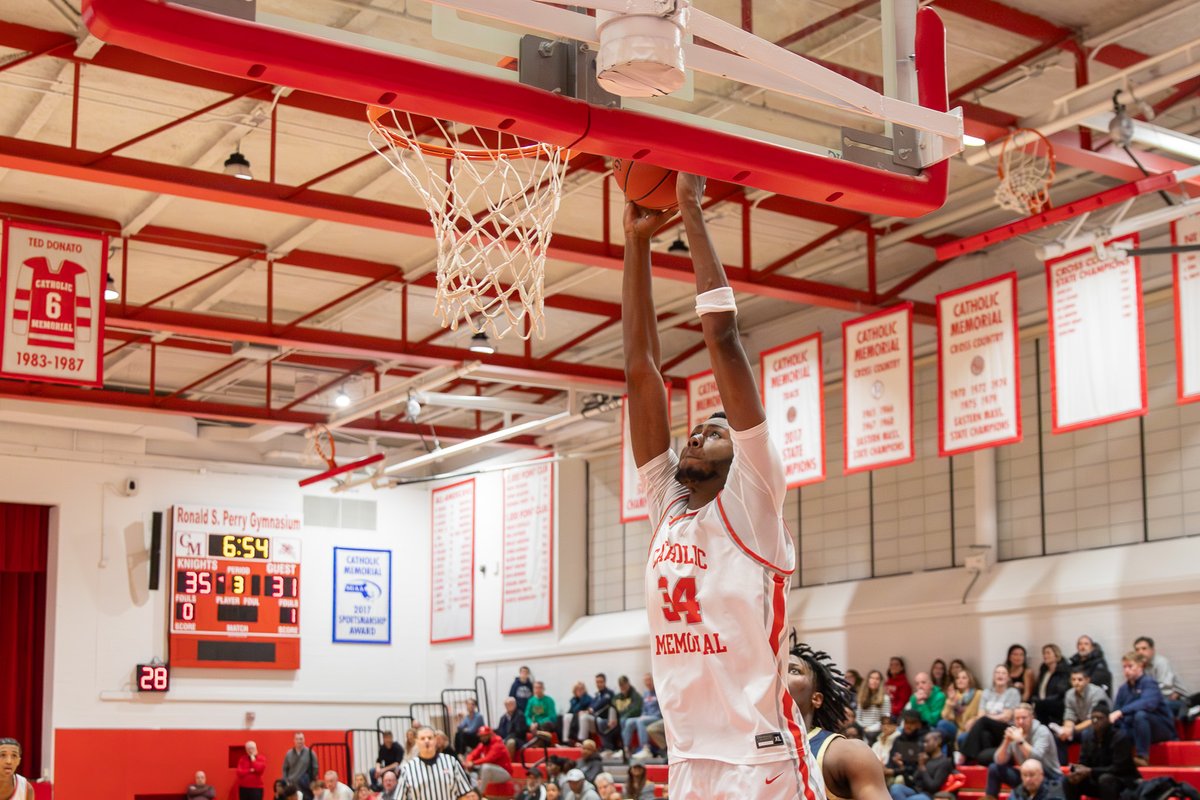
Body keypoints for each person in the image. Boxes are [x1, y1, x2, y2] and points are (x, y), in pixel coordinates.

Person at [623, 174, 825, 797]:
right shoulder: (668, 508)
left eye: (714, 428)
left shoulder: (754, 499)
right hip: (688, 757)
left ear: (742, 451)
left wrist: (689, 209)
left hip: (760, 759)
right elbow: (640, 372)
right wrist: (635, 243)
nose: (693, 433)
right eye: (695, 428)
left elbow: (723, 338)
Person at [787, 641, 891, 800]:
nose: (780, 674)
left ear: (816, 699)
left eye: (793, 670)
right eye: (776, 668)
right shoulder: (745, 751)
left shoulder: (846, 754)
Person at [1111, 650, 1177, 766]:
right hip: (1136, 728)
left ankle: (1143, 756)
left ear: (1140, 666)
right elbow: (1116, 710)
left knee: (1140, 715)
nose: (1126, 670)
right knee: (1117, 729)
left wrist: (1122, 711)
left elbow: (1148, 704)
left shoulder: (1149, 683)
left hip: (1159, 727)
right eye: (1124, 667)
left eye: (1130, 666)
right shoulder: (1123, 689)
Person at [983, 703, 1061, 800]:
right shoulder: (1015, 733)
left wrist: (1020, 740)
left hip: (1049, 777)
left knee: (1032, 774)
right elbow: (999, 760)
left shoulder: (1042, 731)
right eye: (1017, 718)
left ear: (1032, 717)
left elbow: (1036, 758)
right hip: (1027, 776)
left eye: (1024, 718)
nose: (1020, 721)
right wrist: (1006, 741)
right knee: (994, 768)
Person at [1063, 705, 1140, 800]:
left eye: (1099, 718)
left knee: (1105, 779)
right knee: (1069, 780)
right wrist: (1077, 770)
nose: (1095, 721)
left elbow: (1119, 768)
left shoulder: (1120, 737)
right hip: (1097, 779)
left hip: (1122, 781)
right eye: (1093, 718)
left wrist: (1091, 771)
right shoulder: (1087, 737)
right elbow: (1084, 762)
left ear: (1108, 719)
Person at [960, 665, 1021, 765]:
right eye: (997, 672)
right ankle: (983, 762)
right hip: (989, 729)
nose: (1000, 675)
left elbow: (1006, 717)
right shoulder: (987, 693)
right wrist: (989, 717)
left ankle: (964, 755)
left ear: (1008, 678)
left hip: (1005, 729)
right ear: (993, 676)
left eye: (1003, 673)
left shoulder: (1012, 693)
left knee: (983, 721)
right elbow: (980, 715)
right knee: (984, 734)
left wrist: (987, 717)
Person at [396, 726, 477, 800]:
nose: (426, 741)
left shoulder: (451, 762)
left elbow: (464, 794)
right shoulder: (408, 768)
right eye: (422, 738)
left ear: (435, 740)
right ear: (417, 742)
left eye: (430, 738)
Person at [1056, 667, 1109, 765]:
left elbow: (1093, 719)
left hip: (1099, 727)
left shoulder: (1097, 693)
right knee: (1060, 737)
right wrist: (1066, 729)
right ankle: (1062, 767)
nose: (1076, 682)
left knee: (1087, 733)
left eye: (1080, 680)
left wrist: (1073, 729)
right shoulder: (1069, 694)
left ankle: (1084, 765)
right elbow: (1069, 714)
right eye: (1073, 679)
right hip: (1081, 726)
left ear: (1087, 680)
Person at [1134, 636, 1191, 719]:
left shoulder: (1161, 663)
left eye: (1144, 648)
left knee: (1153, 707)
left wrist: (1145, 695)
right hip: (1158, 699)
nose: (1140, 652)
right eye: (1137, 650)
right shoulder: (1140, 666)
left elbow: (1166, 688)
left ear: (1152, 650)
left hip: (1181, 700)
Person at [887, 732, 952, 800]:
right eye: (924, 742)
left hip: (929, 796)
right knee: (896, 788)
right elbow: (911, 783)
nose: (924, 745)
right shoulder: (925, 759)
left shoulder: (944, 762)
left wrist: (922, 767)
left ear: (938, 742)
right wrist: (902, 767)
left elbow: (933, 787)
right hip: (916, 792)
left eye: (927, 742)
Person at [939, 667, 980, 753]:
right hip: (958, 729)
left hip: (972, 728)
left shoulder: (978, 694)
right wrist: (949, 702)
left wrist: (974, 719)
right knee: (941, 725)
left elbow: (983, 712)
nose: (960, 680)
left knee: (963, 737)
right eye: (958, 678)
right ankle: (942, 759)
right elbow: (945, 716)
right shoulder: (955, 695)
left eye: (964, 678)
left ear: (970, 680)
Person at [885, 711, 930, 787]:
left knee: (898, 780)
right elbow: (891, 760)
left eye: (912, 723)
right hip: (895, 773)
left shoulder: (922, 741)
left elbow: (915, 768)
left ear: (918, 724)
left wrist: (894, 771)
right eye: (906, 722)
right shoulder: (898, 739)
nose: (908, 726)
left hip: (912, 779)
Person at [624, 673, 662, 759]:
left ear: (653, 680)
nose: (648, 682)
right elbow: (644, 709)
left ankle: (645, 749)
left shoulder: (659, 691)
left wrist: (644, 717)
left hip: (657, 716)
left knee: (640, 721)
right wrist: (643, 715)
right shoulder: (645, 693)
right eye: (646, 681)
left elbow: (661, 709)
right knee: (629, 721)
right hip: (646, 716)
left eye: (649, 680)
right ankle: (626, 748)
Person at [1032, 645, 1071, 727]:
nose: (1045, 656)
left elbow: (1061, 692)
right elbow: (1038, 688)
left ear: (1056, 655)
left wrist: (1044, 702)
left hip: (1056, 704)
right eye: (1044, 653)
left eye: (1048, 653)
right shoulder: (1044, 671)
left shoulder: (1063, 671)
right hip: (1042, 703)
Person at [464, 726, 513, 791]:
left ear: (490, 735)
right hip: (493, 771)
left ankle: (479, 794)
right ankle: (472, 791)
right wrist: (468, 761)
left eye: (485, 735)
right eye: (481, 736)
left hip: (505, 773)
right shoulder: (484, 744)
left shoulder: (498, 744)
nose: (483, 738)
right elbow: (472, 754)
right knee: (472, 770)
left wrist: (473, 763)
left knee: (485, 767)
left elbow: (488, 758)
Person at [608, 675, 642, 757]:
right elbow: (612, 706)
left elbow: (637, 710)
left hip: (631, 718)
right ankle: (609, 748)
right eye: (620, 685)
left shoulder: (635, 696)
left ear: (628, 684)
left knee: (624, 721)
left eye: (624, 684)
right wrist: (612, 718)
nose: (622, 687)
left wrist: (625, 716)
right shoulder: (617, 697)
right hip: (619, 719)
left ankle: (625, 748)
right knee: (602, 723)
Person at [578, 674, 615, 748]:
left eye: (601, 682)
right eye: (597, 682)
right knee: (582, 716)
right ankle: (581, 742)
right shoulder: (597, 695)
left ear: (605, 682)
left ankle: (584, 743)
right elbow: (591, 705)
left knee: (585, 717)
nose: (599, 684)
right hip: (596, 719)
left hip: (606, 720)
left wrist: (590, 710)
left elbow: (601, 703)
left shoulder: (609, 693)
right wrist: (586, 711)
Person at [283, 733, 319, 800]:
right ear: (294, 740)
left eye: (301, 739)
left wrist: (311, 781)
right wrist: (286, 781)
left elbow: (315, 768)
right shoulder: (289, 753)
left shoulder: (310, 752)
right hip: (292, 785)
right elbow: (285, 769)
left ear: (304, 740)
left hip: (305, 786)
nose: (299, 741)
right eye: (297, 739)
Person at [859, 671, 890, 739]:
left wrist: (870, 728)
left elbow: (885, 719)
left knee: (870, 735)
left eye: (877, 679)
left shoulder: (885, 698)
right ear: (868, 680)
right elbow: (858, 718)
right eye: (872, 678)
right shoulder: (862, 696)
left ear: (880, 682)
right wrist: (863, 727)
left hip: (876, 729)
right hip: (862, 727)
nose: (874, 681)